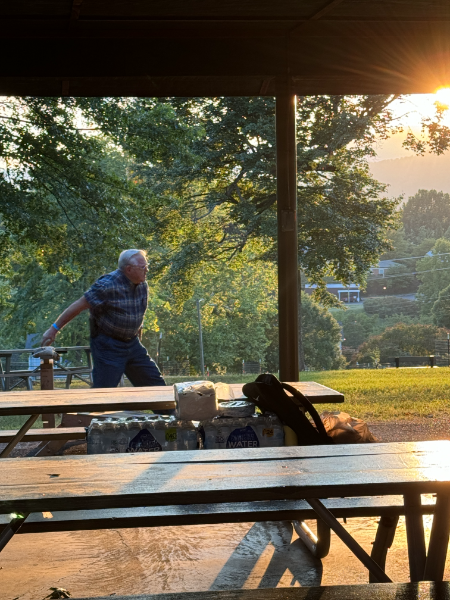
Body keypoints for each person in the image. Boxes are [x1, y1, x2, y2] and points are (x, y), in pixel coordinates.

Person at [41, 249, 166, 389]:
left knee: (156, 385)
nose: (147, 270)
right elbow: (78, 305)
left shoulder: (142, 285)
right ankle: (93, 409)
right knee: (104, 392)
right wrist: (53, 330)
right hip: (108, 345)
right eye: (143, 267)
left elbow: (137, 313)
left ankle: (168, 411)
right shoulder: (107, 285)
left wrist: (137, 333)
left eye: (146, 265)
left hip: (132, 344)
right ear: (129, 269)